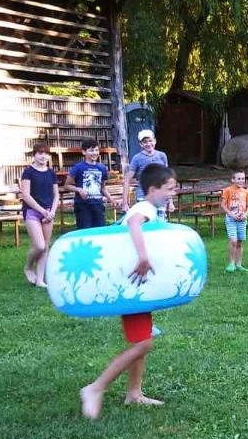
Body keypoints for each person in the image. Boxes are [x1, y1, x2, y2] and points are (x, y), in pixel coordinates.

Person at [79, 163, 178, 419]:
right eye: (169, 188)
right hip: (131, 285)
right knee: (144, 344)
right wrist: (143, 257)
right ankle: (95, 388)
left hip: (137, 287)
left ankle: (134, 393)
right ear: (153, 190)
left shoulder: (149, 207)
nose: (173, 193)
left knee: (141, 339)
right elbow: (134, 223)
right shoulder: (144, 208)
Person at [19, 141, 58, 288]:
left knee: (45, 246)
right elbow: (26, 195)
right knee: (39, 245)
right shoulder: (28, 172)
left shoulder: (51, 173)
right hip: (32, 212)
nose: (43, 156)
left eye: (46, 154)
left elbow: (56, 195)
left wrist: (52, 211)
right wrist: (42, 211)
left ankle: (40, 280)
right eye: (40, 153)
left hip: (48, 213)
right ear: (34, 155)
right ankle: (28, 267)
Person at [65, 139, 120, 229]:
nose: (94, 153)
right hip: (83, 206)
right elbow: (66, 186)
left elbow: (102, 188)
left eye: (96, 150)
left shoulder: (102, 168)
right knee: (85, 231)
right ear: (84, 152)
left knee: (99, 231)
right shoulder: (78, 167)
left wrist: (111, 199)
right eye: (91, 150)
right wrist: (78, 189)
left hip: (98, 205)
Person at [122, 129, 175, 221]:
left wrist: (170, 202)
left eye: (150, 141)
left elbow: (167, 179)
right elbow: (127, 180)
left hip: (160, 195)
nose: (148, 144)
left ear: (155, 141)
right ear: (141, 144)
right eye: (145, 142)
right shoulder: (137, 158)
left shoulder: (162, 156)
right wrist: (125, 203)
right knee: (146, 222)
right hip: (143, 196)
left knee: (160, 222)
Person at [220, 170, 248, 273]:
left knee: (240, 242)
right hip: (231, 219)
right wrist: (231, 214)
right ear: (233, 179)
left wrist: (245, 214)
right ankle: (231, 263)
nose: (241, 181)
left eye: (243, 178)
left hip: (242, 220)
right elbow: (223, 205)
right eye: (238, 178)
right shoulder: (227, 190)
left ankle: (239, 264)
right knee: (233, 240)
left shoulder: (246, 192)